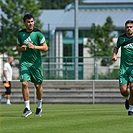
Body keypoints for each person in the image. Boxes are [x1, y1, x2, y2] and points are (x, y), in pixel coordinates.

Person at [16, 14, 48, 117]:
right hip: (25, 63)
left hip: (36, 63)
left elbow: (45, 48)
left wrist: (34, 47)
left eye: (32, 21)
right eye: (28, 22)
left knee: (37, 86)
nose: (30, 24)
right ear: (24, 23)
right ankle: (27, 108)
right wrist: (22, 48)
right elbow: (17, 47)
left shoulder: (38, 34)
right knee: (24, 83)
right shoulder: (20, 34)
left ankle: (39, 107)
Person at [112, 20, 133, 116]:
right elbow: (116, 47)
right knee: (123, 90)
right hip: (124, 68)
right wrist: (114, 55)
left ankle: (131, 109)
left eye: (131, 27)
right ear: (125, 28)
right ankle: (127, 98)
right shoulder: (121, 38)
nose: (129, 28)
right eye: (127, 27)